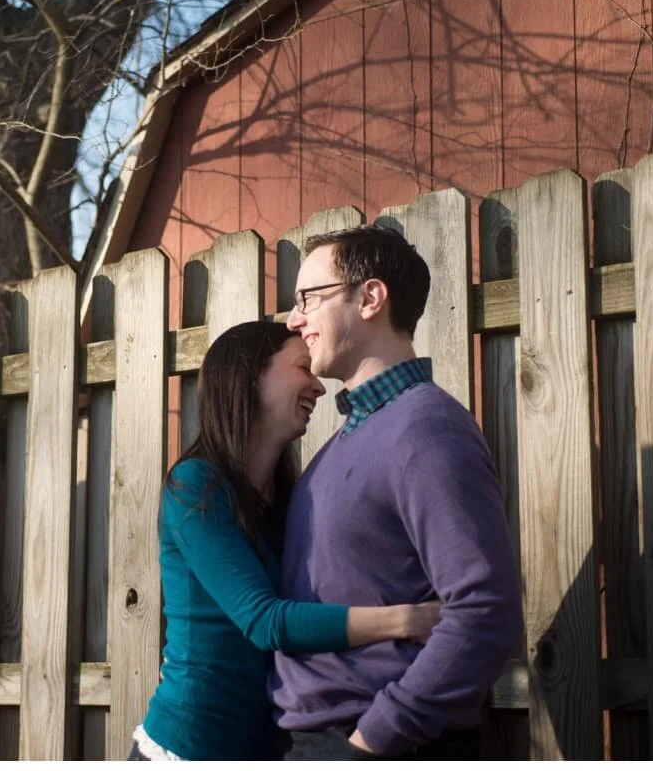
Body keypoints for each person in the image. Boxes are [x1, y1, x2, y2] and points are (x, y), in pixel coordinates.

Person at [132, 320, 442, 761]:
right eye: (303, 368)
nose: (318, 387)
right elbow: (265, 622)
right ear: (251, 373)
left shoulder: (292, 495)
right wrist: (406, 621)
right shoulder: (194, 486)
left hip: (264, 745)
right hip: (191, 743)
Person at [271, 225, 523, 760]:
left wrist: (371, 741)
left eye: (307, 299)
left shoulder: (427, 430)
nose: (295, 319)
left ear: (370, 298)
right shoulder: (344, 442)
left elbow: (485, 610)